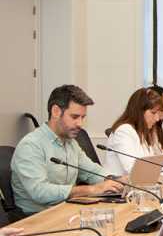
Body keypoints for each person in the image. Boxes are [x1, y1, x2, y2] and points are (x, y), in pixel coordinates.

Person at [11, 85, 123, 215]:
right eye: (75, 117)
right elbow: (39, 191)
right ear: (56, 111)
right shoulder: (31, 145)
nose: (80, 124)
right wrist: (90, 190)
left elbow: (92, 172)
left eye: (83, 117)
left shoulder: (70, 143)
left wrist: (116, 180)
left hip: (65, 211)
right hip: (36, 219)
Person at [104, 88, 163, 175]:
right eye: (153, 113)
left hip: (139, 184)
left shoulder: (142, 131)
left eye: (158, 113)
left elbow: (150, 162)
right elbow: (134, 169)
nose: (157, 119)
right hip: (120, 186)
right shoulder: (124, 131)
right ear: (139, 111)